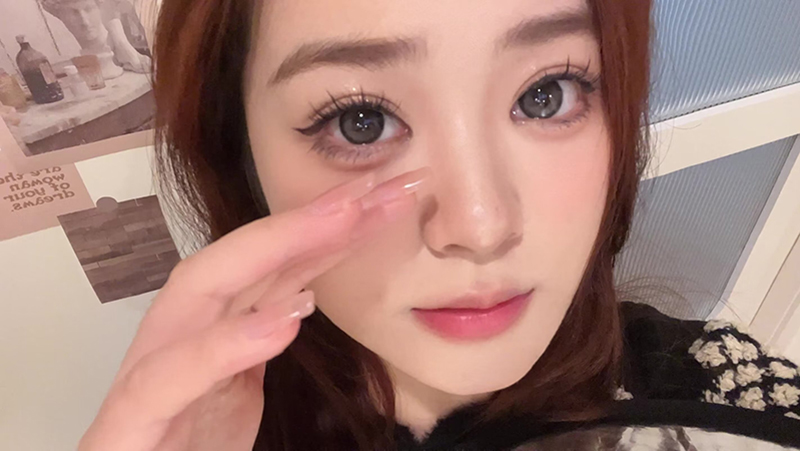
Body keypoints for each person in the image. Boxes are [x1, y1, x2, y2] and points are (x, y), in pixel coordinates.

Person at [78, 0, 800, 450]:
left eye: (547, 95)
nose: (481, 227)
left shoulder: (717, 393)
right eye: (361, 122)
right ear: (240, 156)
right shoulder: (202, 430)